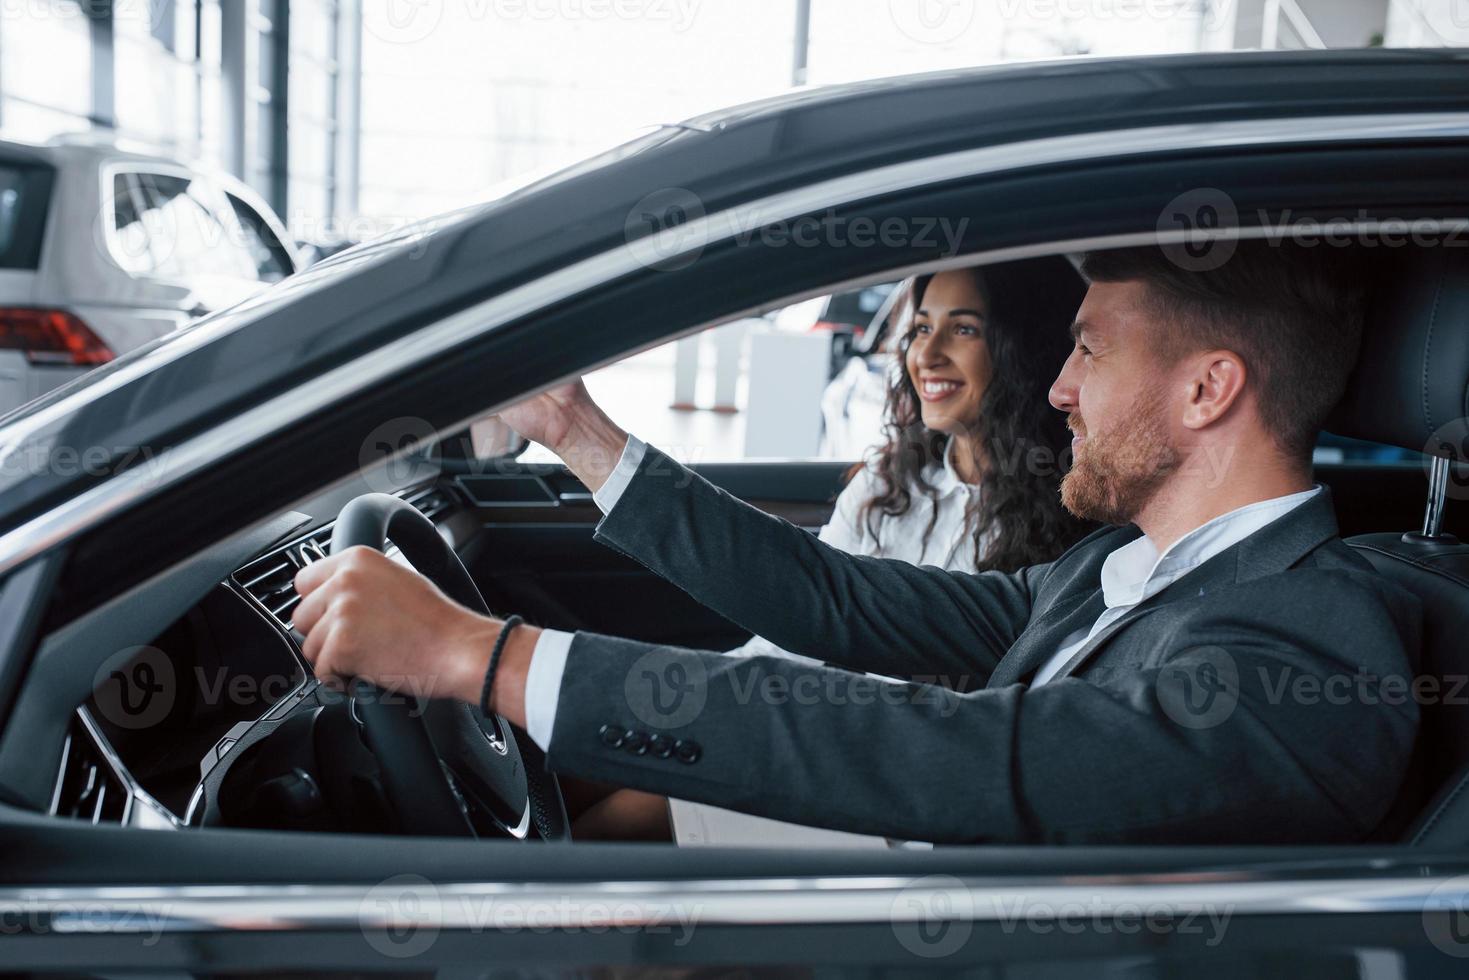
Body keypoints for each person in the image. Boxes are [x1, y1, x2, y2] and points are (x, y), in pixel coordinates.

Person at [292, 242, 1422, 845]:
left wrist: (480, 657)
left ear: (1207, 387)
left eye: (1089, 351)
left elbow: (954, 751)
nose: (1060, 386)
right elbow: (838, 603)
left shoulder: (1309, 641)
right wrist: (576, 434)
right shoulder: (1103, 569)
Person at [575, 257, 1094, 839]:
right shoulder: (888, 483)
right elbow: (793, 624)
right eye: (922, 327)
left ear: (1024, 346)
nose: (928, 353)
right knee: (588, 745)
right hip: (805, 719)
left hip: (893, 776)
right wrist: (711, 697)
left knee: (624, 817)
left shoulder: (1075, 515)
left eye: (965, 329)